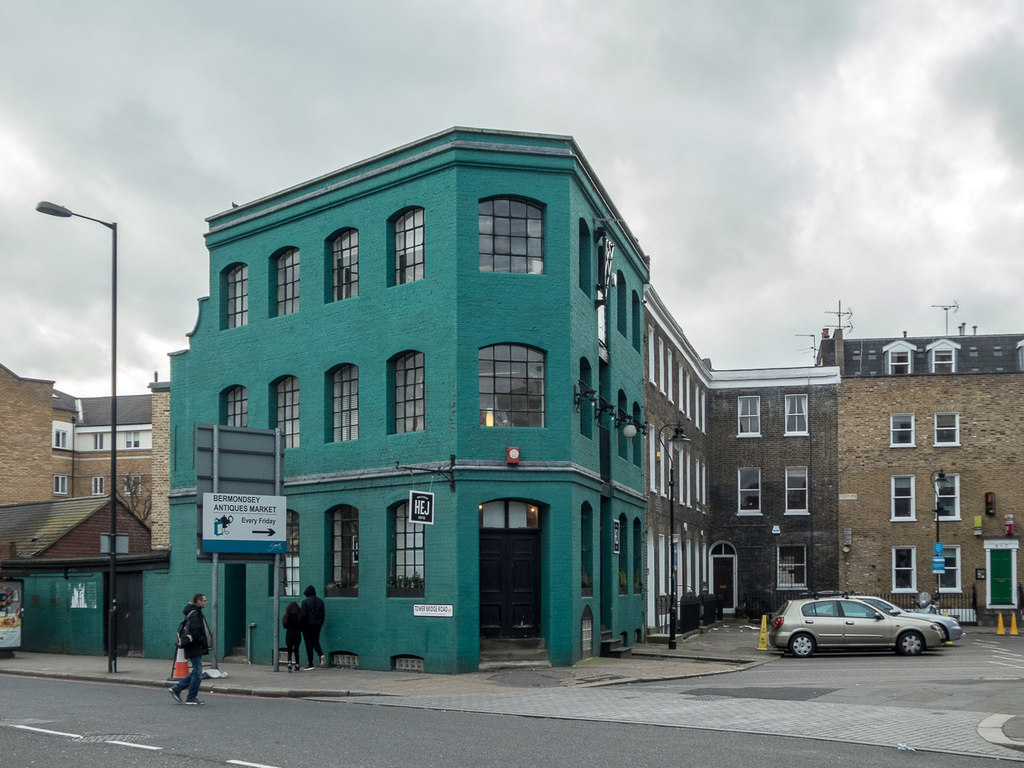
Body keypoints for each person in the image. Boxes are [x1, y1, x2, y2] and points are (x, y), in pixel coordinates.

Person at [169, 593, 209, 706]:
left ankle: (177, 688)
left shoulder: (193, 613)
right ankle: (191, 697)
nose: (206, 602)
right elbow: (196, 633)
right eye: (204, 600)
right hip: (194, 647)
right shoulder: (195, 614)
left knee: (196, 671)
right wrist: (203, 641)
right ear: (198, 602)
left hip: (193, 647)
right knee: (198, 673)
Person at [299, 584, 325, 670]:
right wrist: (320, 623)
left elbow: (302, 615)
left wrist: (301, 626)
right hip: (317, 625)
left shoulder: (305, 602)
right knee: (315, 641)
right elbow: (323, 615)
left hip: (307, 626)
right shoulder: (321, 602)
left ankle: (310, 663)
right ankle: (321, 654)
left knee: (308, 644)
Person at [282, 601, 301, 672]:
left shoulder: (286, 616)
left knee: (289, 650)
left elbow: (284, 626)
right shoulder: (299, 617)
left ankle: (289, 663)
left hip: (289, 634)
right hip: (297, 634)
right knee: (296, 650)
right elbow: (301, 626)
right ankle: (297, 664)